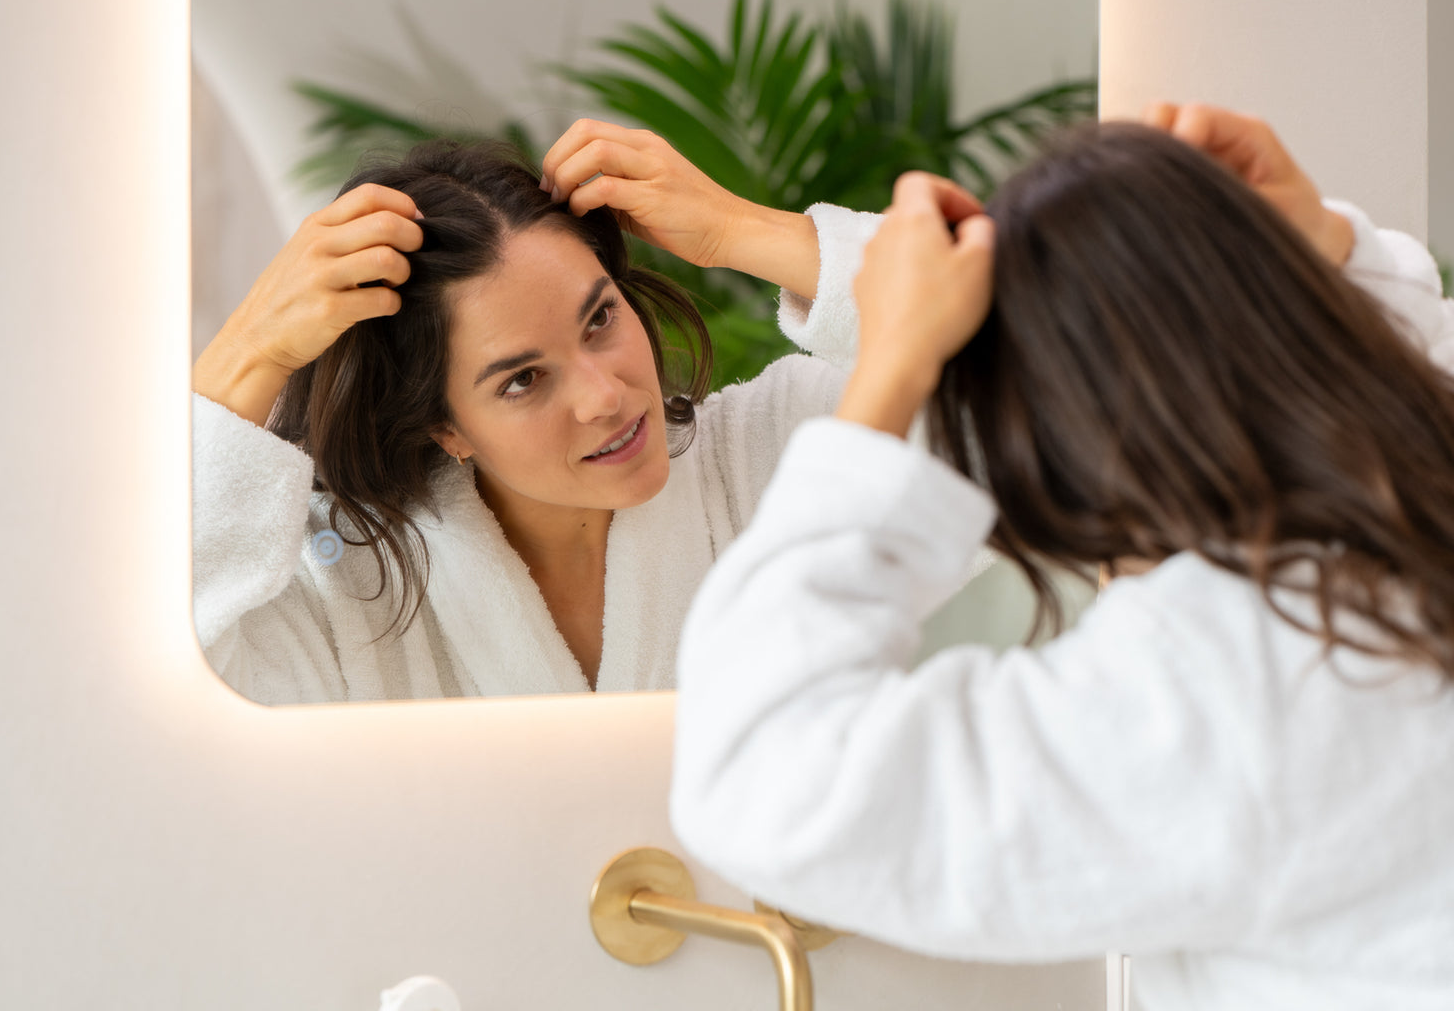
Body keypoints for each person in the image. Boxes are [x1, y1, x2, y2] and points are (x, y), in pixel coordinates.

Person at [671, 104, 1454, 1010]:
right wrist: (1325, 251)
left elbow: (764, 776)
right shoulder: (1405, 532)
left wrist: (893, 365)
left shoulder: (1231, 690)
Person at [192, 120, 911, 703]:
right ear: (446, 428)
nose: (605, 397)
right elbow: (154, 701)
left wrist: (741, 228)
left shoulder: (769, 462)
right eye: (523, 379)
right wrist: (247, 353)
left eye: (600, 319)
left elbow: (1011, 399)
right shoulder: (354, 594)